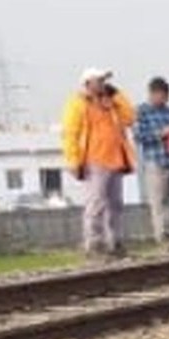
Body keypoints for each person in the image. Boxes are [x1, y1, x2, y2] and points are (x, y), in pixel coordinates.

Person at [61, 68, 136, 258]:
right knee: (96, 204)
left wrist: (117, 95)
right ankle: (94, 243)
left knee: (115, 204)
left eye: (104, 80)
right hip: (94, 161)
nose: (103, 84)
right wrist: (73, 160)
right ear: (88, 83)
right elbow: (70, 134)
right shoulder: (77, 104)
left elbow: (130, 118)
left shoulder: (111, 102)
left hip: (115, 160)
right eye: (99, 80)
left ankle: (114, 242)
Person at [134, 77, 169, 251]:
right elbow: (139, 136)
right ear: (153, 93)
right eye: (163, 96)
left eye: (167, 96)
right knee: (160, 202)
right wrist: (161, 133)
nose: (165, 99)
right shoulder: (141, 112)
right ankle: (163, 236)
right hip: (156, 162)